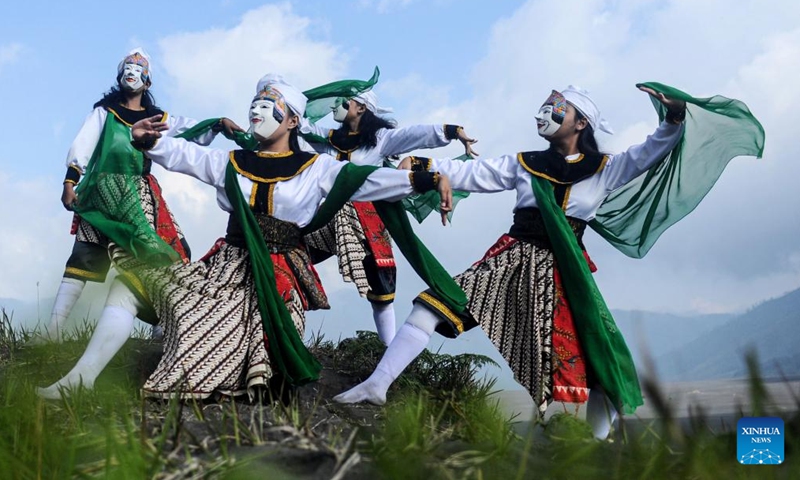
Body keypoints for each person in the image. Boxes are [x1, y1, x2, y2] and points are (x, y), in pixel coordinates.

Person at [36, 74, 455, 401]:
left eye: (269, 105)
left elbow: (374, 181)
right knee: (130, 285)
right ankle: (80, 379)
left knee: (257, 360)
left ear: (292, 119)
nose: (257, 110)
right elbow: (187, 156)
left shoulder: (317, 168)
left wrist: (429, 178)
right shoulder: (233, 161)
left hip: (276, 282)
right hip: (225, 270)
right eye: (255, 103)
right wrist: (146, 141)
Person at [333, 85, 691, 440]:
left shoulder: (606, 169)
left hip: (564, 275)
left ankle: (598, 448)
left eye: (554, 109)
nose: (542, 114)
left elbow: (650, 151)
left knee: (602, 363)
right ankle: (376, 385)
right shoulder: (524, 164)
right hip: (510, 261)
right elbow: (474, 174)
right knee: (431, 307)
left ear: (581, 123)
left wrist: (674, 116)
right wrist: (425, 166)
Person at [39, 48, 240, 342]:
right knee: (84, 255)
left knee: (159, 253)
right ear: (120, 75)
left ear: (148, 82)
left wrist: (218, 123)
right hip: (100, 192)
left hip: (139, 193)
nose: (133, 70)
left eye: (139, 67)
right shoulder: (103, 113)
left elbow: (187, 129)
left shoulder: (156, 118)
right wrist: (71, 181)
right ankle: (52, 332)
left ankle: (162, 324)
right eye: (129, 66)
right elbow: (82, 145)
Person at [301, 90, 478, 345]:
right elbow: (297, 129)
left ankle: (388, 348)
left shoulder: (380, 140)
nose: (336, 106)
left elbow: (412, 134)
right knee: (293, 256)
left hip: (368, 216)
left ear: (361, 108)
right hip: (329, 214)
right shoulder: (328, 139)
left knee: (383, 288)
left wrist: (450, 131)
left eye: (345, 102)